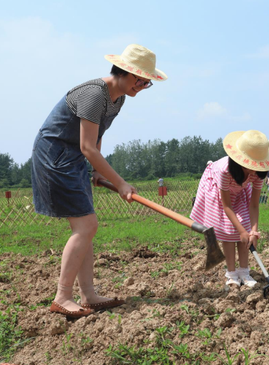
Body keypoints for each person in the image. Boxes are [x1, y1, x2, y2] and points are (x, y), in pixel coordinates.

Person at [31, 44, 167, 319]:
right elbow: (87, 147)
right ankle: (62, 297)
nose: (142, 85)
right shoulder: (95, 94)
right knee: (86, 225)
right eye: (140, 79)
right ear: (125, 71)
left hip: (75, 157)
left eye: (147, 82)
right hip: (55, 156)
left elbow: (96, 137)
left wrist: (98, 171)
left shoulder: (118, 98)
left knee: (86, 227)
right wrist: (120, 183)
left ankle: (88, 294)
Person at [190, 130, 269, 288]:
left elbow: (254, 205)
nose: (253, 169)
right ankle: (231, 274)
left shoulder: (258, 174)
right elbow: (226, 206)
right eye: (250, 165)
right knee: (228, 229)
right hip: (219, 190)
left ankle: (244, 272)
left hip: (240, 191)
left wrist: (252, 231)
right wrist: (241, 231)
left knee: (245, 226)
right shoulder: (225, 171)